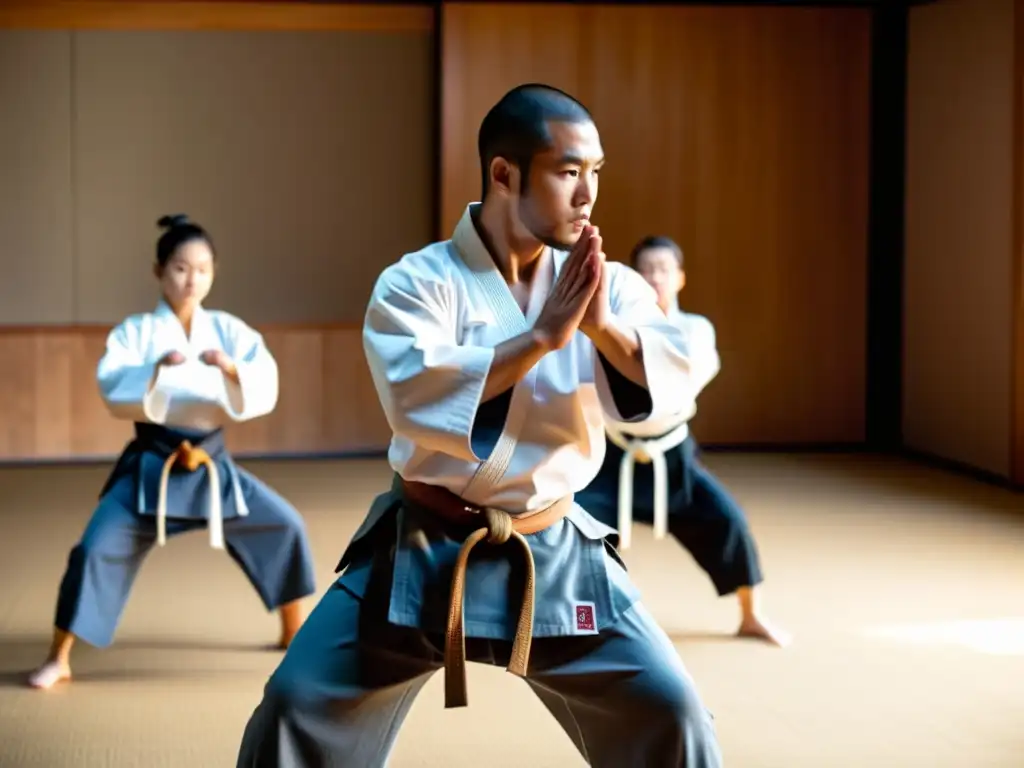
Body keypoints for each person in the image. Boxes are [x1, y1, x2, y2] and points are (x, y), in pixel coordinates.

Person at [235, 85, 722, 767]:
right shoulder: (417, 283)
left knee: (673, 712)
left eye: (596, 174)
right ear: (503, 173)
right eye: (568, 171)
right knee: (295, 707)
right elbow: (414, 398)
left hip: (552, 548)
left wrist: (603, 327)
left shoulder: (607, 284)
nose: (588, 195)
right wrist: (543, 338)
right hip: (424, 544)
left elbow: (673, 382)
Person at [26, 214, 319, 691]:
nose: (191, 280)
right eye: (181, 268)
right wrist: (154, 368)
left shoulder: (227, 330)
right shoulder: (137, 333)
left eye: (202, 269)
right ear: (158, 271)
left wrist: (231, 368)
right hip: (153, 465)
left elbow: (263, 378)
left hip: (211, 466)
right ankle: (59, 656)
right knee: (95, 548)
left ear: (214, 273)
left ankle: (292, 631)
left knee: (284, 524)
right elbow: (112, 382)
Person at [576, 235, 789, 647]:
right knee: (576, 530)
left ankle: (751, 615)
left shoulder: (694, 329)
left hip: (672, 453)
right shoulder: (607, 325)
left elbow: (682, 381)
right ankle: (586, 621)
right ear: (632, 278)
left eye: (664, 269)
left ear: (680, 278)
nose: (655, 277)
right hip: (612, 452)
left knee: (727, 521)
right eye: (647, 269)